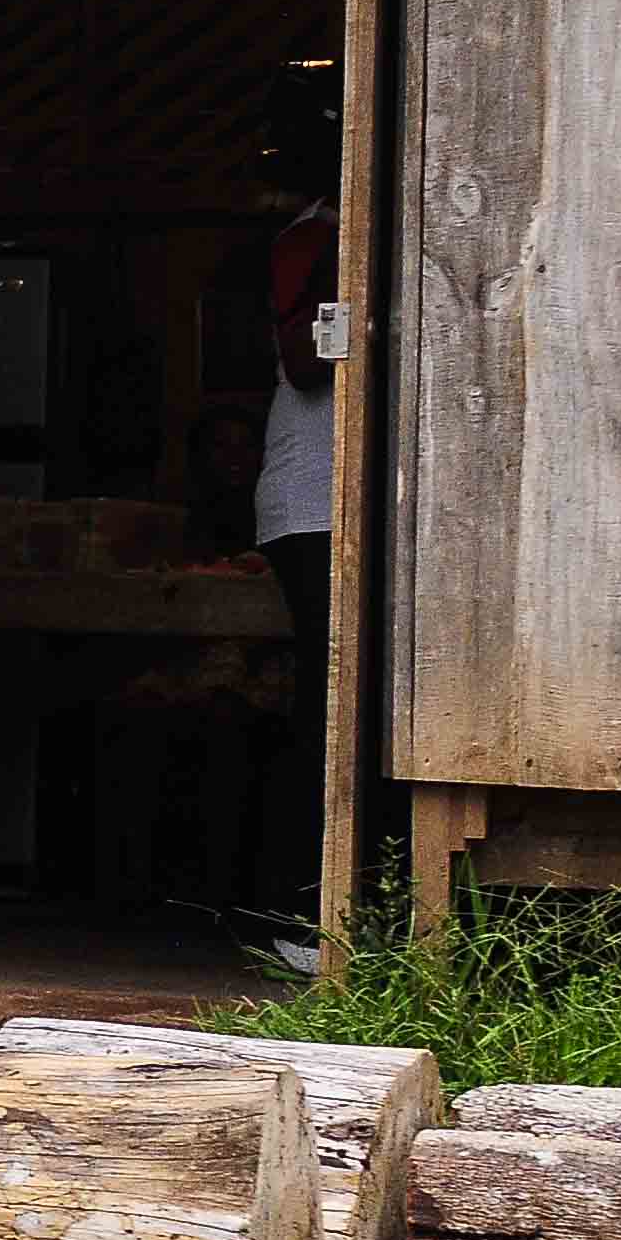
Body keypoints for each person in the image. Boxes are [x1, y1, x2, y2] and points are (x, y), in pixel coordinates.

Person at [254, 201, 340, 913]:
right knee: (327, 709)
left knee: (335, 705)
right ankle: (299, 909)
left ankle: (313, 908)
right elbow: (309, 360)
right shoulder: (314, 238)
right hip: (316, 506)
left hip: (333, 506)